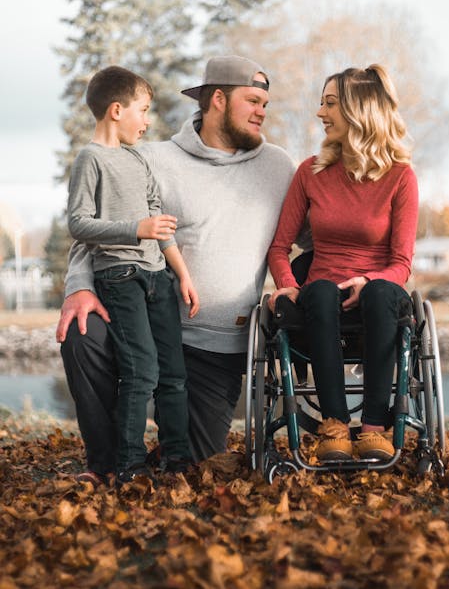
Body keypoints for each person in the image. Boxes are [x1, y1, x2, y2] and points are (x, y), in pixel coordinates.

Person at [57, 55, 296, 483]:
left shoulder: (278, 167)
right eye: (254, 100)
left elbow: (319, 235)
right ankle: (107, 463)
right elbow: (94, 228)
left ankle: (160, 447)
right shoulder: (151, 159)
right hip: (146, 314)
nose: (263, 111)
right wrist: (78, 286)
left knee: (196, 463)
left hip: (217, 350)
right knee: (83, 333)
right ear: (218, 99)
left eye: (266, 102)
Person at [267, 64, 418, 462]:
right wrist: (286, 283)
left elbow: (401, 261)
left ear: (359, 110)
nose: (320, 113)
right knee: (316, 292)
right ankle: (334, 425)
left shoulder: (401, 176)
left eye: (330, 103)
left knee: (383, 291)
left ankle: (373, 428)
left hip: (379, 299)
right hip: (319, 301)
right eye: (321, 103)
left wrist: (367, 280)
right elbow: (280, 246)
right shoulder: (310, 172)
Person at [67, 66, 199, 485]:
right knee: (141, 371)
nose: (147, 122)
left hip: (158, 278)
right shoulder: (90, 159)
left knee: (172, 373)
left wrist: (183, 275)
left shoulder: (137, 159)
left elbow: (160, 226)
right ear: (116, 110)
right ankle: (129, 464)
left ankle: (178, 459)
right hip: (120, 277)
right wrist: (134, 228)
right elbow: (79, 224)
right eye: (143, 111)